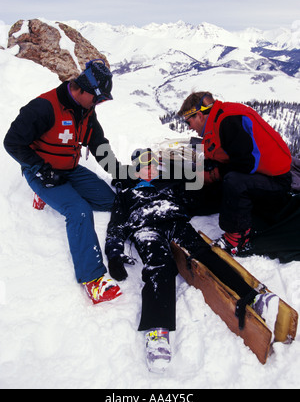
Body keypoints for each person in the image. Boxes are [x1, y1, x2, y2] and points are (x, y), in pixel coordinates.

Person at [105, 148, 280, 373]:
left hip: (176, 221)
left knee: (204, 254)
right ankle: (157, 331)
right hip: (146, 228)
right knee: (160, 267)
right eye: (142, 166)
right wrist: (114, 254)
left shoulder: (169, 183)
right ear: (135, 171)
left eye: (152, 165)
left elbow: (198, 199)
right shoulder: (126, 193)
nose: (148, 170)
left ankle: (253, 298)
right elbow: (116, 226)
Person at [3, 59, 128, 304]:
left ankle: (56, 195)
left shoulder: (87, 112)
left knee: (109, 201)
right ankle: (93, 279)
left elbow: (98, 145)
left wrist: (119, 171)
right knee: (78, 211)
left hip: (70, 169)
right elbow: (12, 142)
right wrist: (40, 169)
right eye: (98, 98)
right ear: (82, 89)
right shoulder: (43, 107)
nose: (99, 103)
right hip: (43, 172)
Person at [178, 92, 292, 255]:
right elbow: (224, 154)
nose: (189, 127)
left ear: (199, 115)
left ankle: (236, 238)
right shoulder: (218, 119)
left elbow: (246, 163)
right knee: (218, 177)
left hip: (276, 182)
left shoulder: (229, 120)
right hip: (259, 174)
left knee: (233, 181)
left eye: (189, 122)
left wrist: (213, 175)